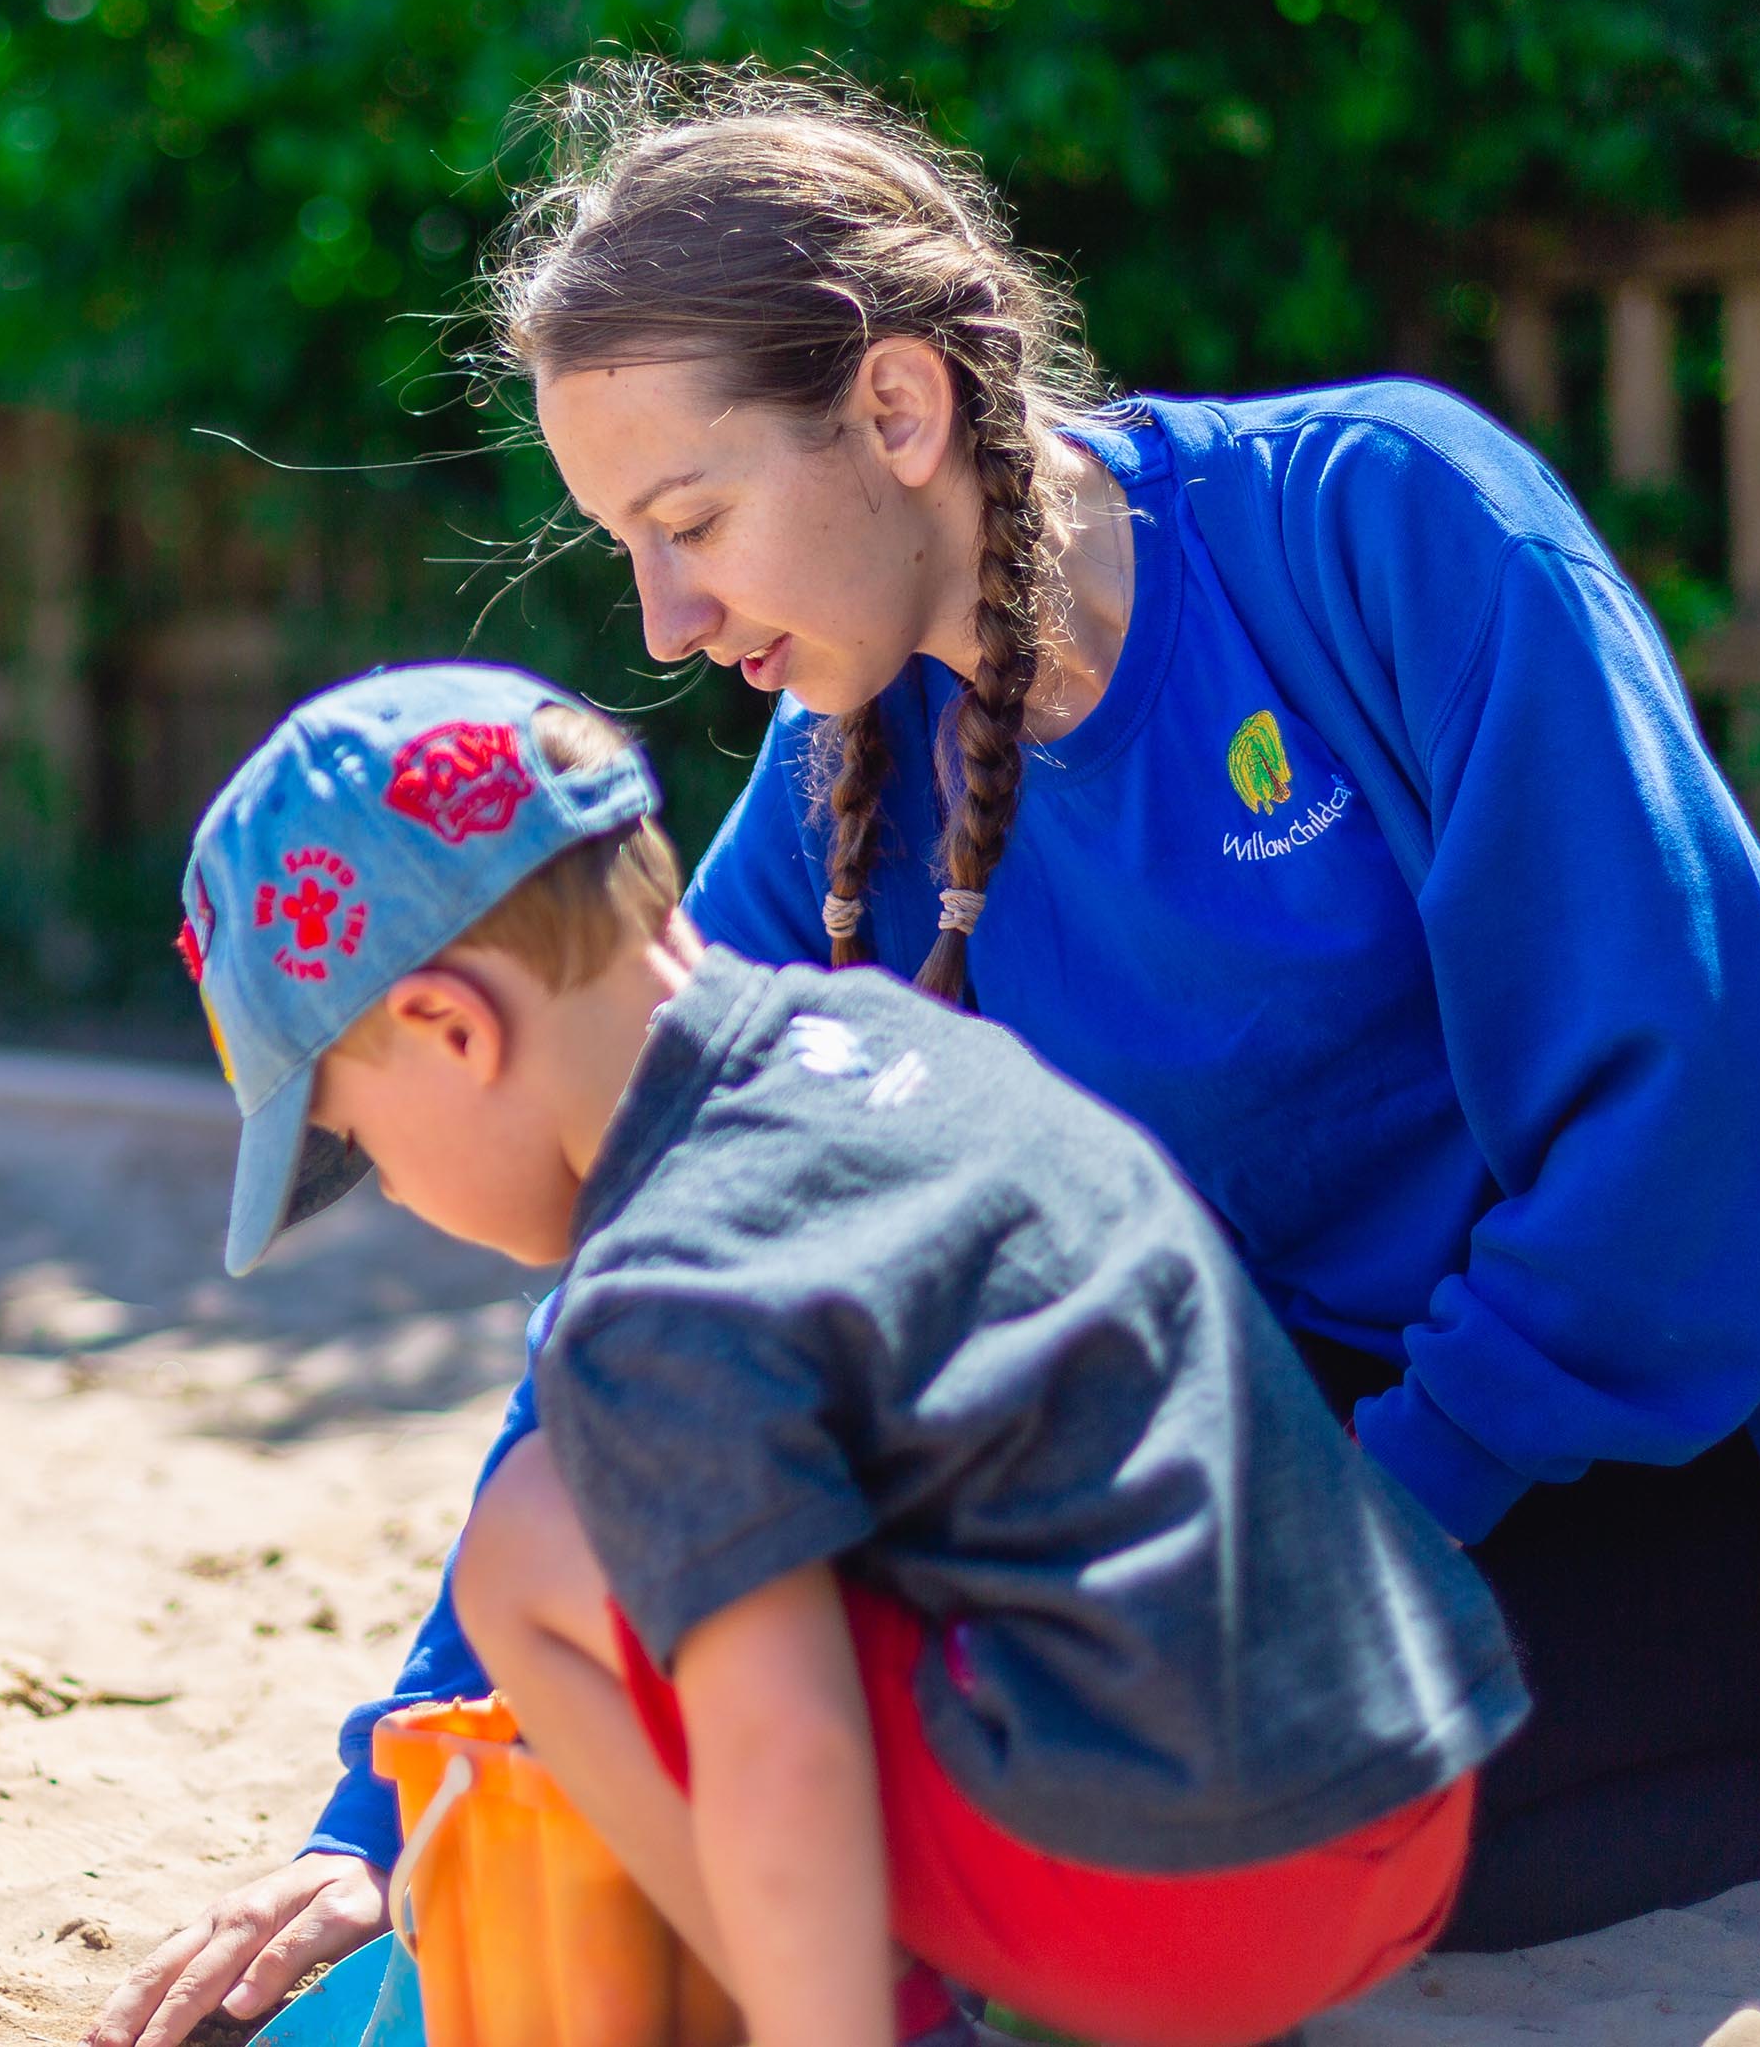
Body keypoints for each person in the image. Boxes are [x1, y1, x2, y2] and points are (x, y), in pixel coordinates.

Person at [94, 64, 1760, 2046]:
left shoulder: (1377, 529)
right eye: (623, 543)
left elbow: (1683, 1166)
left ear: (892, 407)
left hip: (1713, 1443)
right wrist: (388, 1799)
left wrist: (1318, 1549)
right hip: (1314, 1451)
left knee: (1070, 1828)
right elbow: (645, 1310)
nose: (665, 617)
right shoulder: (838, 796)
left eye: (686, 518)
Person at [156, 663, 1522, 2047]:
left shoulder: (661, 1287)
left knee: (532, 1547)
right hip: (1403, 1778)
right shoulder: (893, 1041)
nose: (389, 1188)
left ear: (453, 1029)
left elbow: (785, 1748)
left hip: (1185, 1890)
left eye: (363, 1144)